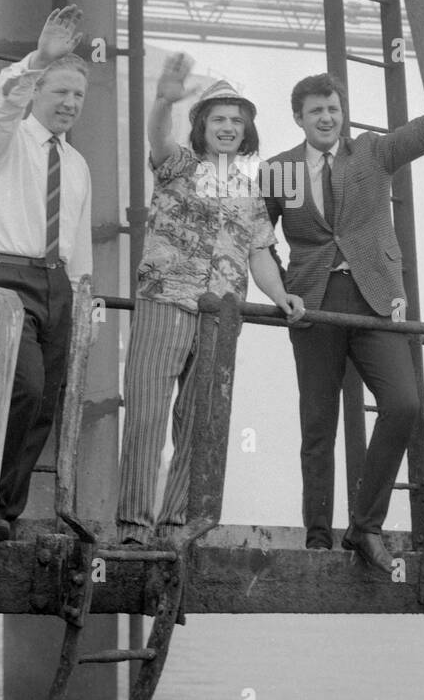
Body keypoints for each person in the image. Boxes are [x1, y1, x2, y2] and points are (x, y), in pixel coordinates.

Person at [262, 34, 424, 575]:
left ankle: (364, 527)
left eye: (333, 109)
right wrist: (280, 294)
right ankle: (317, 537)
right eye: (315, 110)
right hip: (312, 304)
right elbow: (257, 239)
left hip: (373, 299)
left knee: (405, 405)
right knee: (317, 423)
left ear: (343, 114)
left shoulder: (372, 151)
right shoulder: (279, 170)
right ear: (298, 117)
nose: (327, 117)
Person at [116, 53, 305, 545]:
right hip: (165, 300)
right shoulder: (178, 165)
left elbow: (260, 253)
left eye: (236, 122)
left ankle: (176, 523)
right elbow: (156, 137)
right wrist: (163, 99)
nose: (227, 128)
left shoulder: (252, 192)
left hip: (221, 316)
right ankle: (134, 526)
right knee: (147, 414)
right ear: (201, 125)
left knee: (200, 424)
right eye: (218, 119)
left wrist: (282, 296)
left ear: (247, 132)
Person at [0, 5, 92, 543]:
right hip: (3, 275)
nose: (69, 103)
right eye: (60, 91)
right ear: (38, 91)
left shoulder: (78, 164)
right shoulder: (6, 139)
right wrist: (38, 58)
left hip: (56, 284)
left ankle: (5, 513)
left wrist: (83, 301)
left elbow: (77, 241)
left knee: (48, 397)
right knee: (23, 386)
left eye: (78, 96)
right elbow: (2, 105)